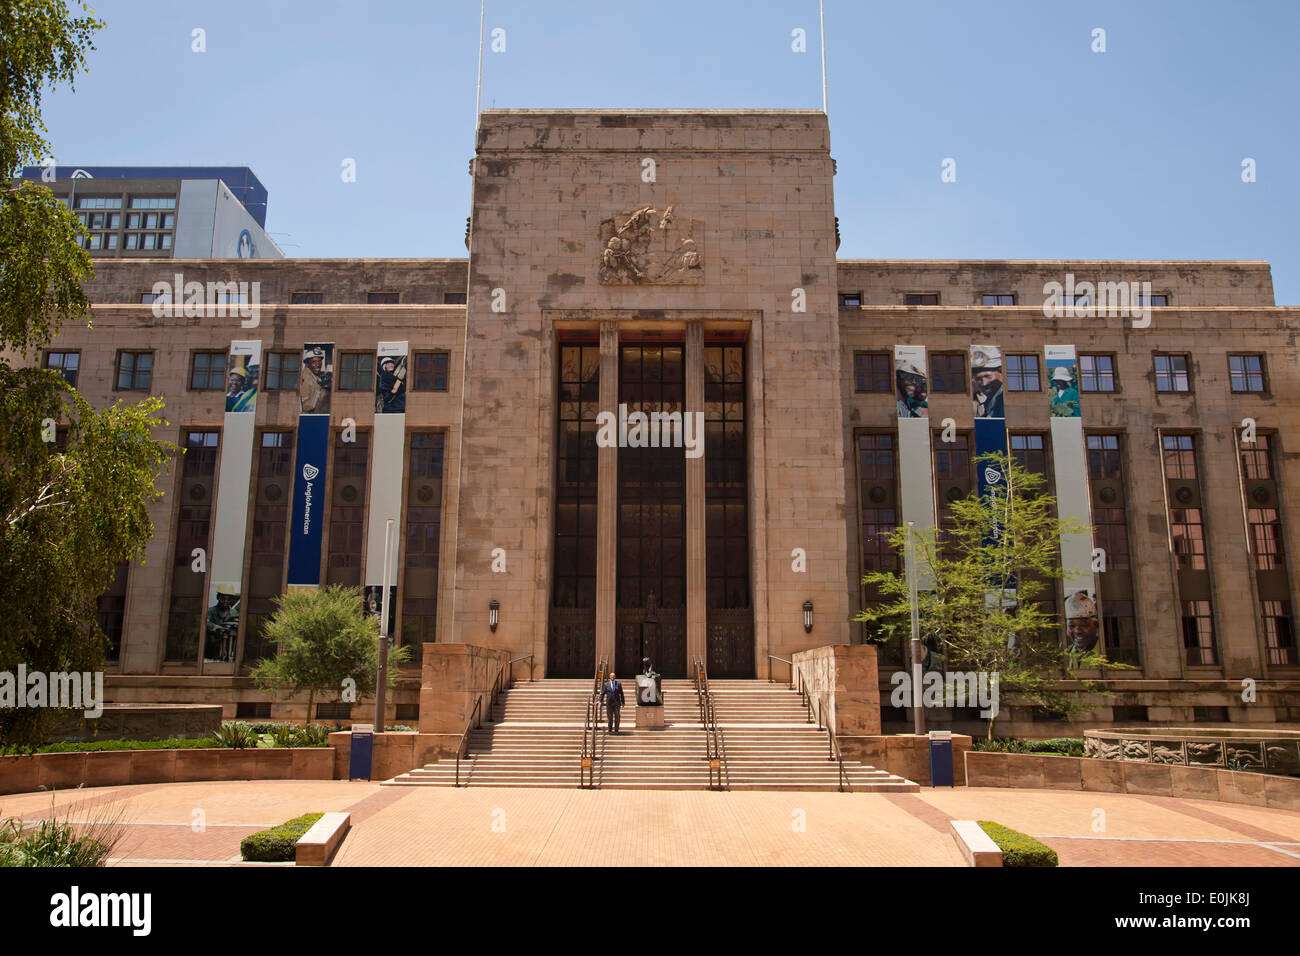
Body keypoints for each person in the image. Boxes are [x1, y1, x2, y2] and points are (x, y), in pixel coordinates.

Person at [972, 353, 1005, 419]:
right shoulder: (990, 403)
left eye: (988, 376)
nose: (984, 383)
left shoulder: (1002, 400)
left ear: (1001, 375)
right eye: (978, 379)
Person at [300, 346, 332, 413]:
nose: (317, 365)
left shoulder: (315, 375)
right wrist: (322, 391)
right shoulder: (306, 379)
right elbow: (305, 407)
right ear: (307, 364)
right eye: (314, 362)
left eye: (319, 361)